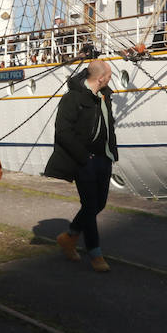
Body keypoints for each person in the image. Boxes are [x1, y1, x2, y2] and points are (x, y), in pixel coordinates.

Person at [43, 59, 118, 273]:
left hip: (103, 157)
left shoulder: (104, 96)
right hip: (83, 159)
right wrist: (84, 157)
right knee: (89, 204)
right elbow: (63, 131)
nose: (111, 78)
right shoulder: (72, 98)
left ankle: (69, 236)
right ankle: (95, 254)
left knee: (99, 203)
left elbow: (107, 126)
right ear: (100, 77)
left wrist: (110, 152)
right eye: (110, 75)